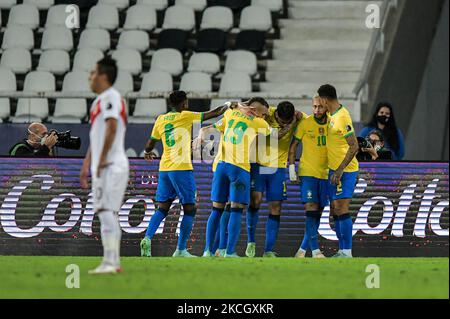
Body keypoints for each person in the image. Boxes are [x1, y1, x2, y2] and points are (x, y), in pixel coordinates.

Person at [140, 91, 228, 258]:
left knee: (162, 208)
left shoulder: (161, 119)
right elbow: (215, 112)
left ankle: (147, 238)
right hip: (181, 168)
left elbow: (151, 142)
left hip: (164, 168)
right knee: (190, 208)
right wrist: (229, 105)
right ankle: (180, 250)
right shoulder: (186, 116)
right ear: (184, 103)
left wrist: (146, 151)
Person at [197, 97, 271, 257]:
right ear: (255, 110)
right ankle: (229, 252)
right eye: (264, 114)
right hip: (239, 168)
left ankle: (207, 251)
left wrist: (202, 133)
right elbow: (271, 132)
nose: (264, 117)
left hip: (221, 166)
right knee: (236, 210)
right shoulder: (259, 123)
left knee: (216, 210)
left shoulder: (230, 114)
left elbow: (212, 126)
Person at [80, 57, 129, 274]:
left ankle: (111, 262)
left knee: (106, 210)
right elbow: (97, 136)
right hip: (103, 164)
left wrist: (100, 160)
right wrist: (87, 163)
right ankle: (111, 261)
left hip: (111, 164)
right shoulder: (99, 101)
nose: (90, 77)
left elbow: (111, 126)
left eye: (93, 73)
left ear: (103, 76)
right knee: (106, 211)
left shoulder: (111, 97)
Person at [245, 101, 302, 258]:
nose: (285, 124)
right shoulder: (266, 113)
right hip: (258, 164)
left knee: (276, 207)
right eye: (283, 122)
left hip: (277, 168)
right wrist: (291, 124)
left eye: (288, 121)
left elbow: (310, 120)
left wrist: (300, 117)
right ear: (276, 114)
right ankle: (251, 243)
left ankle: (268, 250)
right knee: (254, 201)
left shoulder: (296, 117)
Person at [318, 84, 359, 258]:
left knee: (342, 207)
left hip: (345, 171)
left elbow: (354, 146)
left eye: (321, 101)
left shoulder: (343, 117)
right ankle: (341, 249)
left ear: (325, 99)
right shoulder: (331, 115)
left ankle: (347, 251)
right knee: (335, 208)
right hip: (333, 170)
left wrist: (340, 170)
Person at [289, 95, 328, 258]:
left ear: (326, 107)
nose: (316, 110)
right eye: (314, 107)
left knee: (318, 212)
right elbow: (293, 146)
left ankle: (302, 250)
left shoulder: (332, 124)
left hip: (326, 174)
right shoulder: (306, 123)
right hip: (308, 173)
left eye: (319, 107)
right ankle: (316, 251)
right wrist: (292, 168)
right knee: (310, 209)